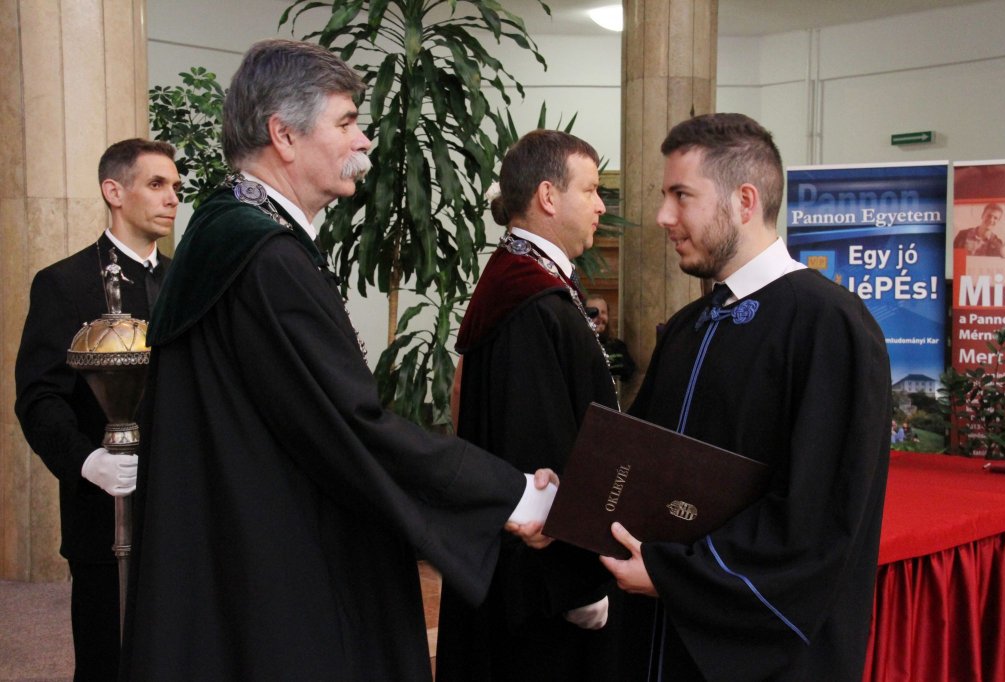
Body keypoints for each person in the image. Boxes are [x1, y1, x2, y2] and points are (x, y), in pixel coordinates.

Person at [119, 39, 554, 682]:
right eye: (347, 121)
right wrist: (513, 494)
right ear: (284, 136)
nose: (365, 140)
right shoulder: (267, 257)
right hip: (284, 567)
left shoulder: (225, 228)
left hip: (232, 545)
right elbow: (350, 425)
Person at [600, 113, 891, 681]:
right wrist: (565, 498)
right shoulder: (690, 325)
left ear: (745, 200)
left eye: (681, 196)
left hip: (762, 655)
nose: (663, 217)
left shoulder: (830, 326)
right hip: (662, 634)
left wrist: (676, 575)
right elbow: (640, 461)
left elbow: (818, 515)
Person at [435, 130, 621, 682]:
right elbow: (538, 452)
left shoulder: (523, 280)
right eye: (590, 189)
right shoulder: (532, 301)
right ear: (547, 196)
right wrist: (578, 585)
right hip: (539, 592)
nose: (600, 205)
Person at [14, 137, 179, 681]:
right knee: (107, 661)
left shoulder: (185, 281)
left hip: (181, 508)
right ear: (114, 191)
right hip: (102, 513)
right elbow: (39, 397)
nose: (172, 198)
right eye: (156, 184)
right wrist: (88, 462)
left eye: (175, 186)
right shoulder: (63, 283)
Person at [586, 294, 636, 383]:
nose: (600, 316)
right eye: (594, 312)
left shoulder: (618, 346)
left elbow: (630, 375)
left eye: (603, 312)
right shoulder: (579, 347)